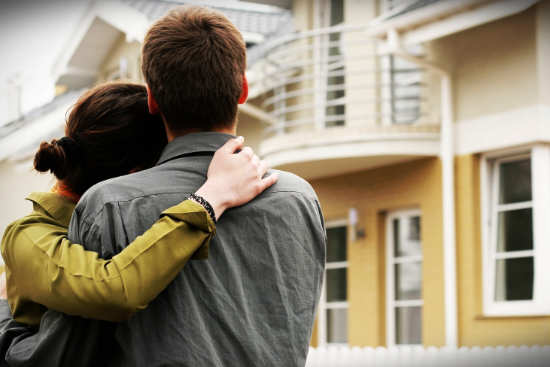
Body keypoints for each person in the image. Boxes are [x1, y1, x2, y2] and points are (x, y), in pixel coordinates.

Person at [4, 5, 326, 367]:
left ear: (154, 100)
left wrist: (7, 323)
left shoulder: (110, 206)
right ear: (243, 89)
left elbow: (69, 350)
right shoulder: (299, 198)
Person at [0, 82, 275, 365]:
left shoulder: (142, 223)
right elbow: (113, 290)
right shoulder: (28, 235)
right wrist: (210, 198)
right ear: (136, 175)